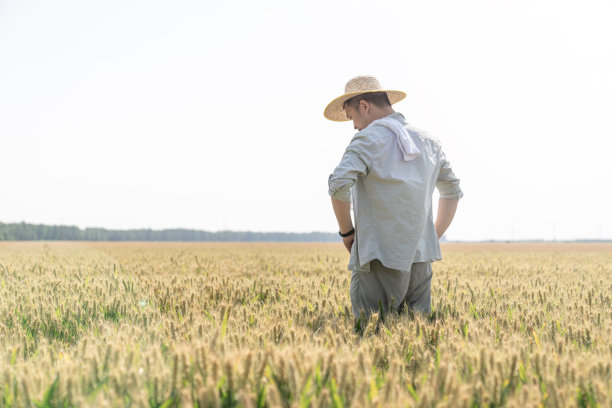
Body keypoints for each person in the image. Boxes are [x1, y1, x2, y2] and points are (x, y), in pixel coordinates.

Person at [324, 75, 463, 320]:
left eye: (351, 117)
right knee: (417, 335)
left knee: (371, 333)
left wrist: (347, 234)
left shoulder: (367, 138)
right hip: (420, 258)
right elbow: (452, 191)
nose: (354, 125)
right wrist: (431, 235)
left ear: (364, 106)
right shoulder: (429, 141)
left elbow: (338, 185)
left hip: (378, 256)